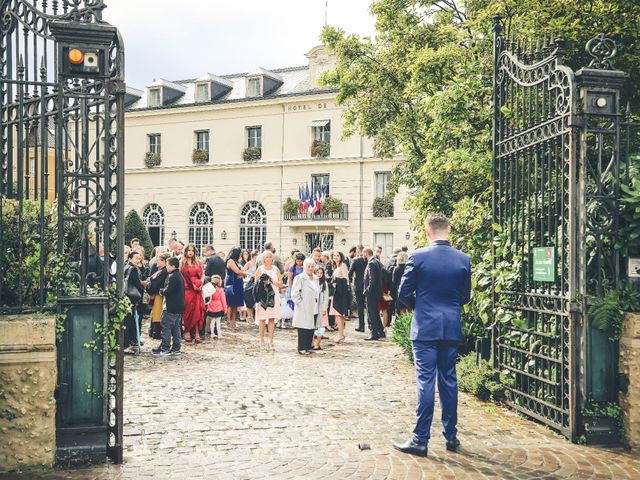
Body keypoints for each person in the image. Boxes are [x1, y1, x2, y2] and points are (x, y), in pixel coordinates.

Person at [393, 214, 471, 458]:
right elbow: (465, 296)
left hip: (425, 326)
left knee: (426, 382)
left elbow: (403, 292)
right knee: (449, 380)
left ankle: (420, 439)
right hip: (450, 326)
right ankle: (451, 436)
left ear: (427, 232)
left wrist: (421, 305)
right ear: (448, 229)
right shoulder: (463, 259)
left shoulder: (418, 256)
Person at [151, 257, 184, 356]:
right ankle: (176, 348)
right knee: (176, 327)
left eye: (168, 265)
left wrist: (161, 291)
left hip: (170, 306)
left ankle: (165, 348)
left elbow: (168, 290)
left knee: (166, 327)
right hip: (178, 306)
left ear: (173, 266)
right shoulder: (179, 275)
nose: (166, 267)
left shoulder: (172, 276)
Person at [254, 250, 283, 351]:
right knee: (262, 319)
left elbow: (281, 284)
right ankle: (261, 341)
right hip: (263, 297)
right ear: (263, 259)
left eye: (270, 257)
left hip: (273, 296)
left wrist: (271, 281)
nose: (269, 259)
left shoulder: (275, 269)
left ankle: (271, 341)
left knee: (271, 319)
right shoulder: (260, 269)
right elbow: (256, 285)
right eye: (267, 257)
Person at [291, 258, 320, 355]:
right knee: (303, 328)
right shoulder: (300, 278)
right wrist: (300, 303)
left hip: (314, 306)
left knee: (311, 327)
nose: (310, 268)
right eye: (309, 266)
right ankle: (302, 347)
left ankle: (308, 347)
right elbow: (295, 293)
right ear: (304, 267)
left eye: (312, 266)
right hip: (304, 306)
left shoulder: (316, 278)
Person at [181, 243, 205, 344]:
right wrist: (191, 285)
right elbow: (180, 276)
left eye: (192, 250)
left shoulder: (198, 262)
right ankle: (186, 331)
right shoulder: (182, 262)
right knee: (188, 311)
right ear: (185, 251)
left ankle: (196, 332)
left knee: (197, 311)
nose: (190, 252)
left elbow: (203, 274)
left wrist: (201, 283)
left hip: (198, 290)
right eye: (189, 250)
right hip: (188, 289)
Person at [124, 251, 146, 353]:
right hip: (132, 298)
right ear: (130, 258)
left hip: (127, 298)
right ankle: (127, 344)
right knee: (129, 322)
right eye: (136, 258)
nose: (138, 260)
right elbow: (137, 284)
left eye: (139, 258)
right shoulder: (132, 269)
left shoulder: (126, 267)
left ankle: (128, 342)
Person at [146, 252, 169, 339]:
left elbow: (155, 285)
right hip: (158, 295)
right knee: (156, 314)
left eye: (159, 260)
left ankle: (156, 332)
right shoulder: (162, 271)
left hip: (159, 295)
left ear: (164, 261)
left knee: (157, 315)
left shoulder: (163, 272)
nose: (156, 263)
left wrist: (148, 286)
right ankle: (154, 331)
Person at [363, 247, 384, 341]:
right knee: (375, 312)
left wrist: (367, 290)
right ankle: (381, 331)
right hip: (377, 292)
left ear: (366, 254)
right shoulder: (377, 262)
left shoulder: (371, 263)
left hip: (372, 293)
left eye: (363, 254)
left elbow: (372, 279)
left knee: (371, 313)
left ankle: (374, 333)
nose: (362, 256)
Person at [330, 250, 349, 343]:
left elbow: (346, 280)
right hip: (336, 292)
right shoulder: (335, 266)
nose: (336, 257)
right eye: (334, 255)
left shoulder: (343, 266)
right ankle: (340, 333)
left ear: (341, 257)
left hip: (341, 293)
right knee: (338, 315)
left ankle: (341, 334)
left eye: (337, 255)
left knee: (339, 314)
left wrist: (335, 279)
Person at [225, 247, 246, 328]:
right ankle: (229, 321)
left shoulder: (236, 262)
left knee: (235, 304)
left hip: (237, 283)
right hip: (232, 283)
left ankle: (233, 321)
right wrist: (244, 273)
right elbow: (237, 271)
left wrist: (242, 274)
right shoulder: (230, 261)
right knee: (230, 303)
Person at [349, 244, 367, 333]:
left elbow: (350, 273)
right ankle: (371, 326)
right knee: (369, 306)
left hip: (359, 285)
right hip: (367, 285)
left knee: (360, 306)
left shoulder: (355, 260)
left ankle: (361, 326)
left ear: (357, 251)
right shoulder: (368, 260)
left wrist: (351, 281)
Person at [313, 266, 330, 351]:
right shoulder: (312, 282)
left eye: (321, 273)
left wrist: (325, 308)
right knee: (312, 326)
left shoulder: (324, 283)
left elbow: (326, 297)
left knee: (320, 327)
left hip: (321, 308)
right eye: (317, 273)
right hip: (313, 308)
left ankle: (317, 344)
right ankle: (312, 343)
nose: (319, 274)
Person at [205, 275, 227, 339]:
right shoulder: (221, 290)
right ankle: (219, 334)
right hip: (218, 307)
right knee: (218, 322)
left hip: (211, 306)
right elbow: (223, 300)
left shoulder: (211, 289)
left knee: (212, 321)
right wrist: (225, 308)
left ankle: (212, 333)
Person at [392, 251, 409, 316]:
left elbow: (394, 281)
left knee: (400, 309)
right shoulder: (408, 268)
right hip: (408, 290)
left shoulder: (396, 269)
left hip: (399, 290)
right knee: (408, 308)